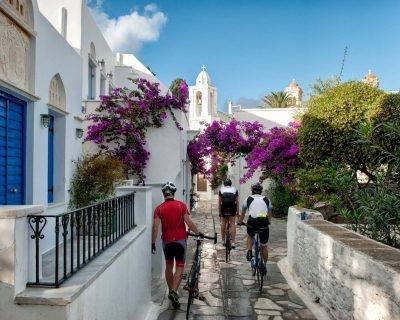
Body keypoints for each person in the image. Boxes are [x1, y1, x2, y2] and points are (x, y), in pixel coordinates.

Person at [152, 181, 203, 309]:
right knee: (180, 266)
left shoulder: (159, 208)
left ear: (164, 194)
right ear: (173, 193)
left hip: (167, 242)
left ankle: (171, 292)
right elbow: (189, 222)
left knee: (169, 265)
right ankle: (174, 291)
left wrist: (152, 243)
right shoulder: (181, 205)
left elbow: (155, 228)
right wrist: (198, 233)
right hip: (180, 241)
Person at [237, 182, 272, 274]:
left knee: (250, 236)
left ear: (252, 191)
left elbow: (243, 213)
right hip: (263, 222)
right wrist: (268, 221)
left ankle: (249, 251)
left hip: (252, 222)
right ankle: (264, 265)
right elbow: (269, 213)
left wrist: (240, 222)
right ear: (261, 191)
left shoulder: (248, 199)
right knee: (264, 245)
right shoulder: (267, 199)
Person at [218, 178, 239, 248]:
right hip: (232, 207)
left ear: (224, 184)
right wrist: (238, 212)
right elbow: (237, 202)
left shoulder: (221, 189)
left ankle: (223, 240)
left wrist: (220, 213)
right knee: (232, 223)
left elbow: (219, 202)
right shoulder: (235, 190)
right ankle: (233, 242)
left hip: (224, 207)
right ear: (231, 184)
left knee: (223, 222)